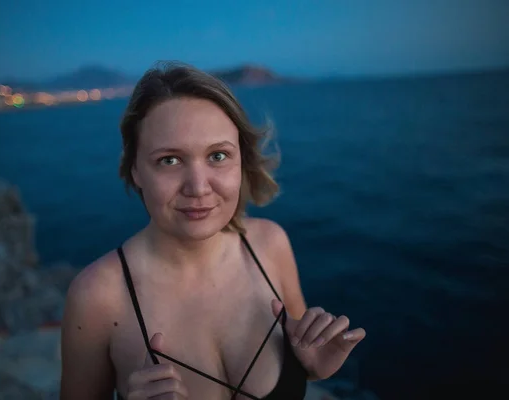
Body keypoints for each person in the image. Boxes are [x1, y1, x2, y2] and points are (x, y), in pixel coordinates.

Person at [60, 62, 366, 400]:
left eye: (218, 155)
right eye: (170, 160)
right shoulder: (97, 299)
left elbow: (300, 352)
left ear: (241, 162)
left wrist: (312, 367)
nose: (198, 187)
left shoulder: (270, 244)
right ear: (135, 170)